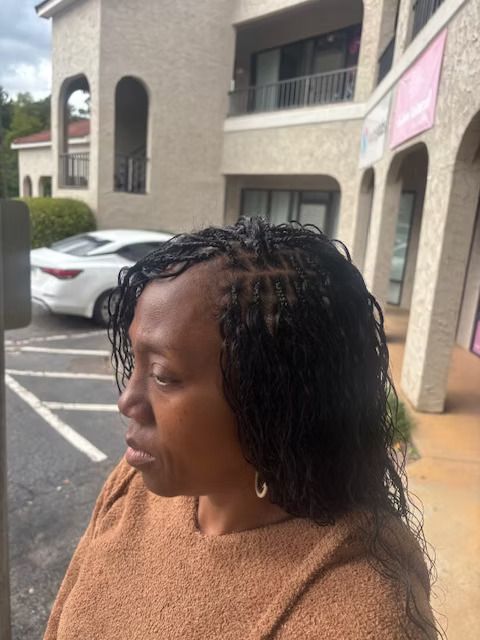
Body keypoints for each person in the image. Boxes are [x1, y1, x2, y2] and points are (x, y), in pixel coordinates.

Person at [43, 218, 442, 639]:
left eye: (162, 374)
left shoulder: (360, 618)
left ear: (274, 404)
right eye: (134, 360)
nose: (127, 401)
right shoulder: (132, 486)